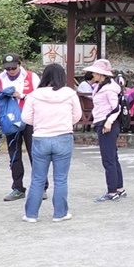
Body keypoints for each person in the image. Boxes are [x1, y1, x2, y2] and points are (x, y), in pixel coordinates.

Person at [21, 63, 83, 223]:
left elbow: (26, 118)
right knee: (61, 178)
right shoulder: (69, 93)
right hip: (63, 137)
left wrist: (41, 122)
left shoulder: (34, 95)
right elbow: (77, 115)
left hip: (41, 137)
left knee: (37, 179)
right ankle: (60, 213)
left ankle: (31, 214)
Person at [0, 52, 37, 202]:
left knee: (34, 154)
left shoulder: (31, 77)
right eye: (8, 68)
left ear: (20, 64)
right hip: (10, 120)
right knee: (14, 154)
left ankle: (41, 186)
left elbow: (39, 96)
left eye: (13, 67)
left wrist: (21, 95)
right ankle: (18, 188)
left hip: (30, 119)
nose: (10, 71)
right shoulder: (0, 78)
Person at [84, 58, 126, 202]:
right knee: (113, 156)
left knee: (108, 158)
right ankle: (119, 188)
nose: (93, 74)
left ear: (102, 74)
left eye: (95, 72)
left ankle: (112, 191)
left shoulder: (108, 88)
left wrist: (108, 122)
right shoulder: (101, 86)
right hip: (105, 122)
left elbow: (115, 107)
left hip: (107, 123)